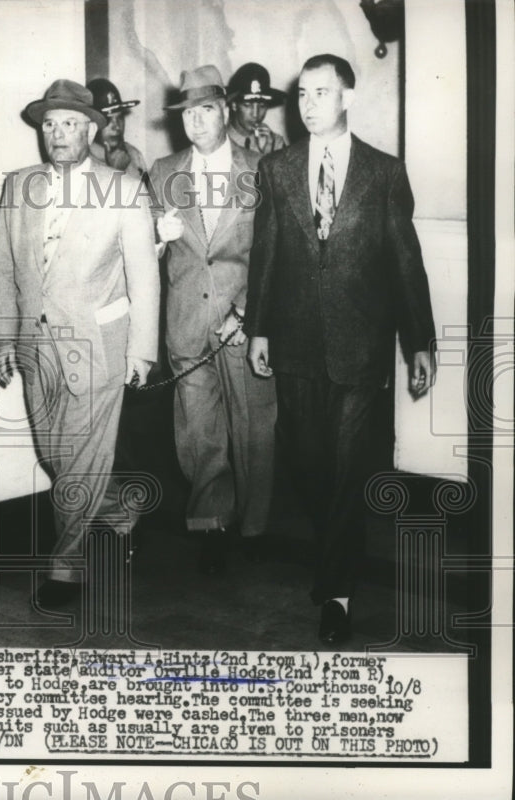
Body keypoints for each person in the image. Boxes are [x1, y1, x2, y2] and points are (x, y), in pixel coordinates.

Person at [246, 54, 436, 644]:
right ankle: (334, 563)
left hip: (362, 346)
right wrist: (258, 329)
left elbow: (407, 263)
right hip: (297, 343)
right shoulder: (276, 170)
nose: (307, 104)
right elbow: (267, 256)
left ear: (347, 97)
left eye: (321, 93)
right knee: (309, 465)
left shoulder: (383, 172)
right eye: (302, 94)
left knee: (350, 468)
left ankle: (339, 592)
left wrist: (419, 342)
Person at [0, 79, 159, 608]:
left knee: (80, 461)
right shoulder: (19, 187)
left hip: (98, 345)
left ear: (90, 129)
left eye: (68, 125)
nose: (57, 135)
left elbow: (144, 276)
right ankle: (116, 507)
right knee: (54, 454)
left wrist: (142, 351)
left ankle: (66, 568)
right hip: (35, 348)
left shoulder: (123, 188)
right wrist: (1, 339)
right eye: (49, 125)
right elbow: (3, 271)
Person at [149, 65, 277, 576]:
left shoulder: (264, 169)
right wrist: (157, 236)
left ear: (225, 111)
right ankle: (211, 525)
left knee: (253, 428)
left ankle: (255, 527)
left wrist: (248, 313)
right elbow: (145, 252)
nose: (196, 123)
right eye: (188, 114)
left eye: (206, 111)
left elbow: (274, 254)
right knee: (199, 433)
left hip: (244, 322)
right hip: (186, 322)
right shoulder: (162, 171)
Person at [87, 78, 148, 183]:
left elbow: (148, 197)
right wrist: (115, 172)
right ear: (90, 123)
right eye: (108, 119)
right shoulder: (81, 162)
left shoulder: (133, 154)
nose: (116, 126)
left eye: (120, 117)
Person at [226, 62, 287, 155]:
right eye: (247, 105)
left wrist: (269, 156)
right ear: (234, 105)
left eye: (262, 105)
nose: (255, 114)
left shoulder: (276, 144)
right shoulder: (217, 142)